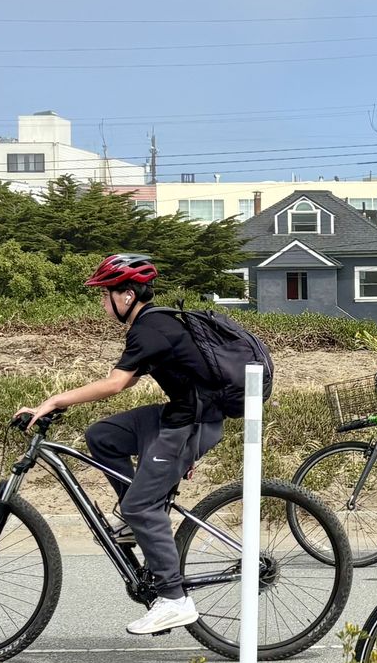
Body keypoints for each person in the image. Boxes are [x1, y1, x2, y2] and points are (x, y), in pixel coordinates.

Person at [15, 253, 239, 636]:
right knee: (103, 436)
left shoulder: (151, 328)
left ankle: (174, 599)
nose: (102, 303)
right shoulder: (152, 325)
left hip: (193, 423)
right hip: (177, 415)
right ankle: (138, 520)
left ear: (127, 295)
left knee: (140, 504)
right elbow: (130, 380)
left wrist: (54, 400)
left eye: (106, 295)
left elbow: (116, 384)